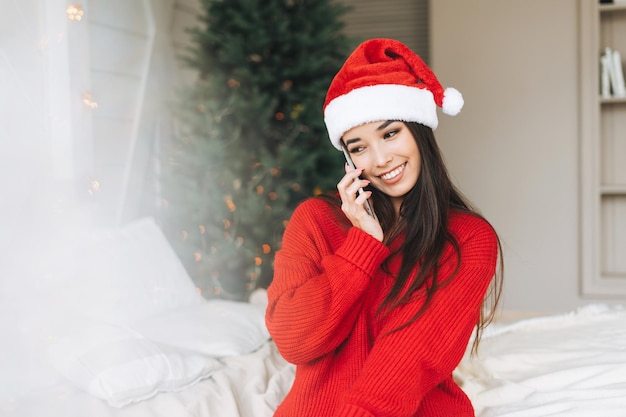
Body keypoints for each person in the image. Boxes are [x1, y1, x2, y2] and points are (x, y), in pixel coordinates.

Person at [265, 38, 503, 417]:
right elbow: (295, 342)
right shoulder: (315, 220)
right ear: (348, 158)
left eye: (390, 133)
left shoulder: (468, 238)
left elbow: (411, 354)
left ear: (418, 130)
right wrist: (360, 247)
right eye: (358, 147)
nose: (380, 159)